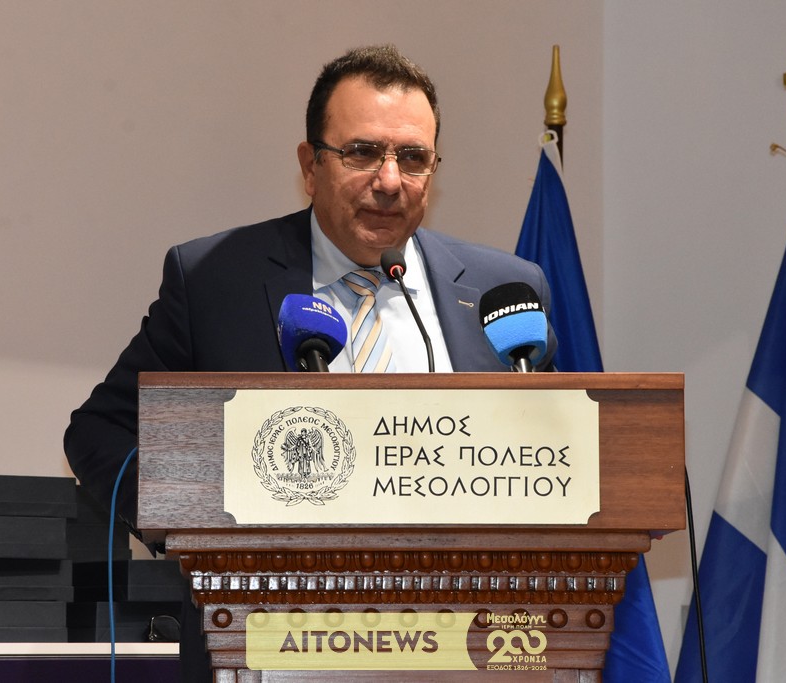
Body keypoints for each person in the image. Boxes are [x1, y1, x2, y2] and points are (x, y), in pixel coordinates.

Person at [65, 44, 557, 681]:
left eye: (413, 158)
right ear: (310, 165)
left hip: (465, 647)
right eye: (362, 152)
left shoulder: (502, 290)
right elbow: (101, 431)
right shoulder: (217, 280)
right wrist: (193, 527)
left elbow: (556, 452)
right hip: (268, 645)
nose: (390, 180)